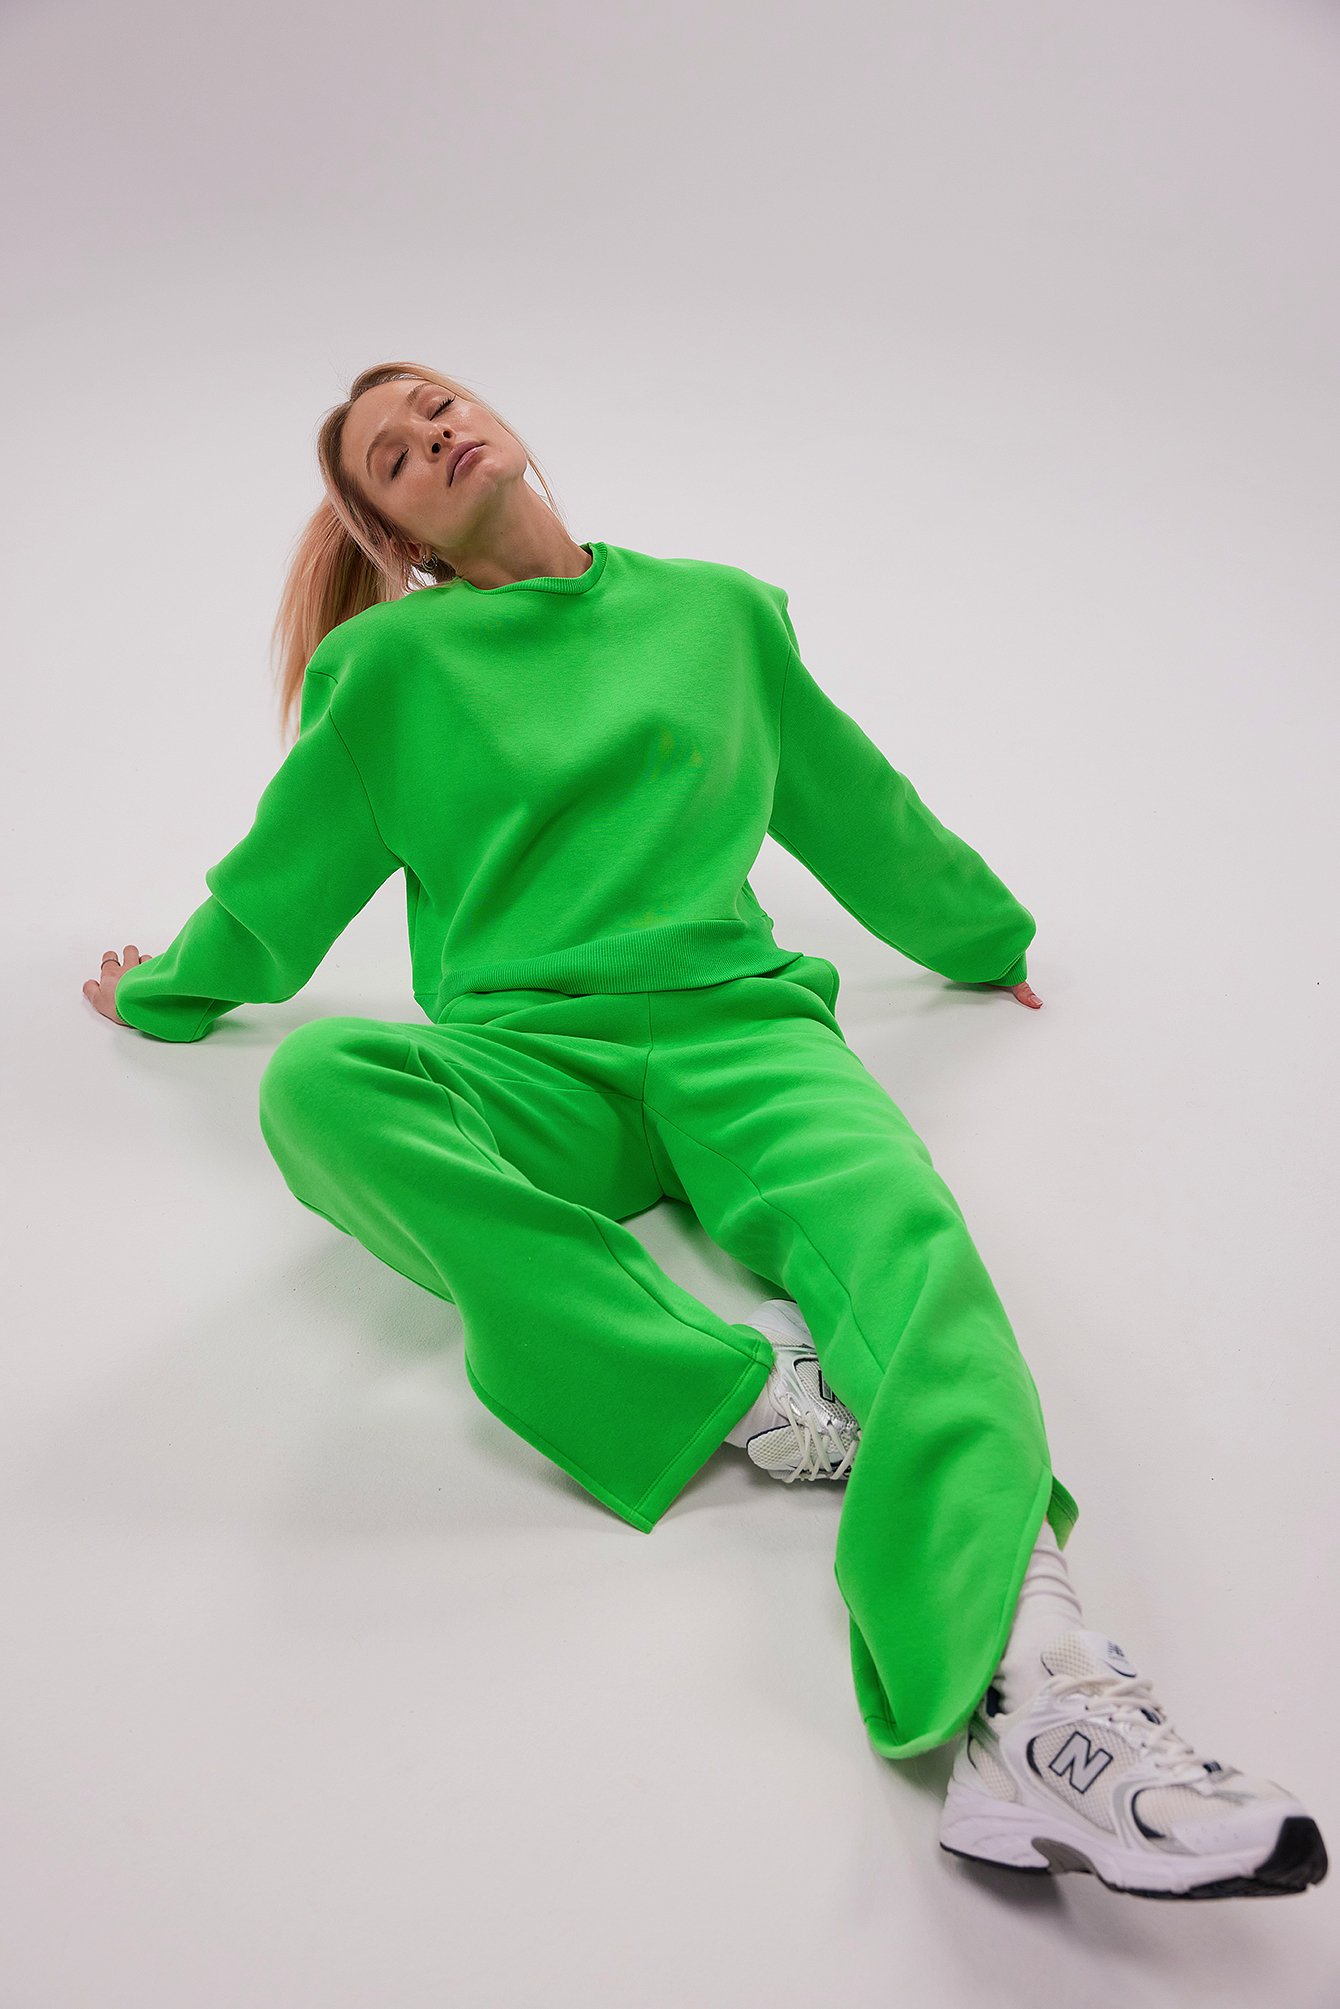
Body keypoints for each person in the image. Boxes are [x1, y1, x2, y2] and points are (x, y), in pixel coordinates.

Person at [86, 361, 1327, 1903]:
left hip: (746, 1038)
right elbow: (279, 886)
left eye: (437, 405)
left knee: (916, 1259)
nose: (434, 434)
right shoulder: (391, 668)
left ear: (497, 414)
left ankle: (1041, 1702)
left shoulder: (720, 615)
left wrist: (985, 935)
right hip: (532, 1063)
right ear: (397, 538)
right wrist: (164, 991)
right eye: (393, 457)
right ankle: (738, 1384)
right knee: (319, 1084)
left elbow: (859, 805)